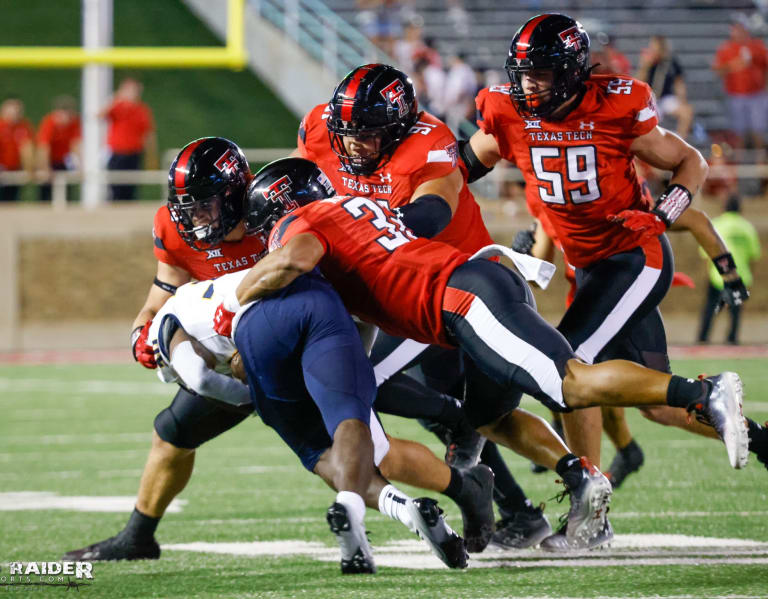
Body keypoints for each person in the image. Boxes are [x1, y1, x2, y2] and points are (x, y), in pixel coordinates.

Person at [213, 157, 749, 552]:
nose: (267, 241)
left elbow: (294, 257)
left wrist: (233, 305)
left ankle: (704, 392)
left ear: (278, 210)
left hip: (464, 301)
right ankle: (581, 482)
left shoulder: (301, 225)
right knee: (488, 416)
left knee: (569, 384)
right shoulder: (356, 209)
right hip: (470, 292)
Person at [62, 136, 493, 562]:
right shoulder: (175, 229)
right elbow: (162, 295)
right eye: (187, 207)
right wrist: (141, 332)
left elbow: (331, 285)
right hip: (233, 360)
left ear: (236, 196)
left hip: (296, 346)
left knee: (369, 451)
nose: (195, 218)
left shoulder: (274, 210)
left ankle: (463, 484)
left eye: (205, 205)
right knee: (171, 433)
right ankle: (139, 535)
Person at [295, 63, 549, 551]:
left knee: (365, 383)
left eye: (368, 136)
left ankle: (476, 436)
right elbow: (299, 188)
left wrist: (358, 236)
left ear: (398, 127)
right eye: (346, 133)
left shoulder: (428, 140)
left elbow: (430, 214)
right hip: (377, 288)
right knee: (436, 410)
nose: (353, 147)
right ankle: (516, 510)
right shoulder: (320, 129)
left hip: (434, 282)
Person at [146, 269, 467, 573]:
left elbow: (199, 379)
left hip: (261, 327)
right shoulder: (214, 288)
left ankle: (381, 504)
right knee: (349, 420)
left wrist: (254, 401)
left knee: (319, 452)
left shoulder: (169, 321)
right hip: (322, 300)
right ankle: (407, 504)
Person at [698, 195, 760, 345]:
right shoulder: (747, 227)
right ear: (740, 208)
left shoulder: (716, 225)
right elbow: (754, 255)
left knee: (711, 310)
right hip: (740, 276)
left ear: (723, 207)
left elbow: (706, 254)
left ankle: (703, 339)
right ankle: (732, 340)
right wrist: (749, 275)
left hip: (717, 275)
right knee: (735, 311)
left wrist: (707, 273)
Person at [712, 21, 768, 155]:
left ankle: (761, 163)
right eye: (734, 29)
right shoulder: (725, 49)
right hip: (735, 95)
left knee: (758, 130)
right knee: (738, 133)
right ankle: (739, 166)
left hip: (757, 95)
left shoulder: (757, 46)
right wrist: (735, 65)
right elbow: (718, 70)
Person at [102, 77, 157, 201]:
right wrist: (117, 97)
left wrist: (151, 157)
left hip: (134, 154)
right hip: (116, 154)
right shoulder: (117, 106)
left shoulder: (142, 110)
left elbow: (148, 134)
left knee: (130, 190)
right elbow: (100, 115)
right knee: (115, 189)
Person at [636, 35, 693, 138]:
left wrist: (682, 99)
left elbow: (678, 82)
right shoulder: (648, 62)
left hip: (666, 98)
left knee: (686, 112)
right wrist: (644, 67)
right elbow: (638, 82)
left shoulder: (670, 62)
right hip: (650, 100)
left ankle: (679, 139)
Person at [36, 95, 81, 203]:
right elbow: (44, 148)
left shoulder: (74, 122)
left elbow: (75, 145)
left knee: (66, 192)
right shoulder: (49, 123)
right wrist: (45, 168)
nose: (68, 119)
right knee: (46, 193)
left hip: (64, 161)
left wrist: (79, 166)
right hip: (49, 161)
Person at [0, 96, 35, 202]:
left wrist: (29, 168)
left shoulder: (24, 126)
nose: (15, 112)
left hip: (15, 169)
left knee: (11, 200)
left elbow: (27, 149)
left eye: (17, 110)